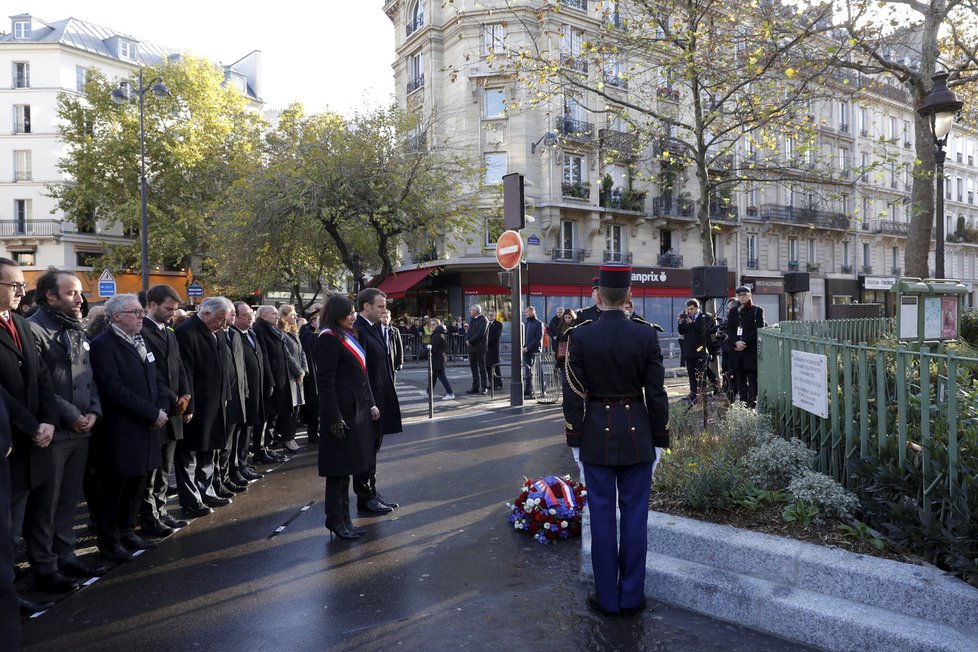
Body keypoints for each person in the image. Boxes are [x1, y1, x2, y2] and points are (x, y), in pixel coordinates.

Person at [562, 264, 669, 618]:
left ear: (597, 296)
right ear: (630, 297)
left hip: (595, 437)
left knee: (603, 519)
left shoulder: (581, 336)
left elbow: (573, 394)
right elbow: (656, 394)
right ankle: (631, 596)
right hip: (638, 435)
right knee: (635, 518)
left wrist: (575, 439)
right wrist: (660, 439)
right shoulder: (646, 335)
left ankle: (607, 599)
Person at [26, 270, 107, 590]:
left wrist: (95, 411)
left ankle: (67, 554)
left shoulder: (77, 329)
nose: (80, 299)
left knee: (69, 499)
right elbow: (41, 384)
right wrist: (72, 414)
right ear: (51, 295)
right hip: (56, 431)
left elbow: (89, 377)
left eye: (80, 293)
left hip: (83, 429)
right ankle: (45, 565)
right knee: (46, 502)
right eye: (72, 293)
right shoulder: (34, 328)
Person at [89, 294, 170, 562]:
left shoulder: (140, 339)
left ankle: (127, 530)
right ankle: (109, 540)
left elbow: (154, 376)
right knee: (115, 489)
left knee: (138, 484)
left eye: (140, 312)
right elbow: (113, 389)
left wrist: (161, 407)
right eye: (135, 312)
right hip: (121, 429)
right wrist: (150, 413)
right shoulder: (103, 345)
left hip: (146, 426)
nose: (140, 316)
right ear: (116, 317)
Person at [0, 258, 60, 612]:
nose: (21, 291)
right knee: (5, 527)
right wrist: (30, 424)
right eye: (13, 285)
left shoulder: (20, 323)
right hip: (10, 439)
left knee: (19, 523)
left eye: (22, 285)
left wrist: (49, 420)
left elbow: (42, 378)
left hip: (34, 439)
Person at [316, 295, 380, 540]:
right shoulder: (328, 339)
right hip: (340, 414)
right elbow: (326, 383)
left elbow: (360, 376)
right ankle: (335, 520)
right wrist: (333, 418)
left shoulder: (348, 336)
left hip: (356, 412)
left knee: (348, 469)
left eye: (354, 312)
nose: (354, 316)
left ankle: (345, 520)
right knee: (337, 472)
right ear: (337, 314)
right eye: (349, 312)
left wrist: (371, 404)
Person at [138, 284, 192, 538]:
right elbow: (153, 375)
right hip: (157, 409)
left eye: (175, 309)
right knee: (151, 470)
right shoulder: (142, 332)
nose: (172, 313)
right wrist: (174, 398)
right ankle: (149, 516)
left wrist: (187, 395)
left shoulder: (170, 332)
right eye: (168, 308)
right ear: (151, 305)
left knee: (165, 468)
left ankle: (161, 510)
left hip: (175, 410)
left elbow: (180, 366)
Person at [174, 297, 234, 517]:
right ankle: (191, 499)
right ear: (206, 313)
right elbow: (185, 371)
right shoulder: (186, 332)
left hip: (215, 401)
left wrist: (226, 394)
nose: (223, 325)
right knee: (188, 454)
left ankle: (206, 490)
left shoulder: (218, 332)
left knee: (209, 449)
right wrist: (188, 405)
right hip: (196, 403)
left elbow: (224, 366)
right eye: (220, 320)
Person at [353, 288, 402, 515]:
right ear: (367, 306)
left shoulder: (372, 327)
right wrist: (370, 402)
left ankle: (372, 491)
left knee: (374, 449)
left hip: (380, 397)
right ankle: (365, 496)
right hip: (369, 401)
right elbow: (360, 371)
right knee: (365, 450)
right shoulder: (358, 329)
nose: (384, 310)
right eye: (380, 306)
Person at [231, 302, 271, 475]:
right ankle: (238, 465)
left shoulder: (251, 333)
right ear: (236, 317)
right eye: (246, 315)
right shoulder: (234, 335)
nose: (250, 317)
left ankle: (243, 463)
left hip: (256, 389)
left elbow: (262, 358)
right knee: (240, 430)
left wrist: (268, 381)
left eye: (251, 314)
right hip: (243, 391)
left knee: (249, 427)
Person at [253, 306, 291, 461]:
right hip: (270, 380)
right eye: (273, 314)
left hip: (279, 379)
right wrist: (270, 381)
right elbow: (265, 357)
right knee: (264, 418)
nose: (277, 316)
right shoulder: (260, 330)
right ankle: (260, 450)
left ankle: (266, 447)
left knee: (272, 417)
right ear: (262, 316)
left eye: (277, 313)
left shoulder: (274, 330)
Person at [725, 286, 765, 409]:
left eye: (744, 294)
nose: (742, 297)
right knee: (740, 380)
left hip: (750, 351)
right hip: (736, 351)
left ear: (749, 295)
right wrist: (736, 342)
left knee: (752, 381)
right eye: (739, 295)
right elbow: (730, 329)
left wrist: (744, 343)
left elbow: (758, 329)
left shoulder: (757, 310)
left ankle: (751, 405)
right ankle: (742, 405)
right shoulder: (733, 311)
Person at [276, 304, 306, 453]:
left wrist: (304, 371)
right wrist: (298, 371)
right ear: (284, 316)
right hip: (290, 377)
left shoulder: (294, 332)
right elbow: (286, 355)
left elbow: (301, 353)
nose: (295, 317)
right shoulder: (281, 333)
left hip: (298, 378)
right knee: (289, 411)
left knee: (297, 410)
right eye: (293, 315)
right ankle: (287, 439)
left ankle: (292, 437)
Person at [677, 298, 718, 402]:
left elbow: (705, 331)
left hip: (701, 348)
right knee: (691, 373)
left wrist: (692, 323)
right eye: (688, 309)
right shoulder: (686, 317)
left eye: (692, 309)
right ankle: (693, 393)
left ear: (697, 308)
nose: (690, 311)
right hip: (688, 349)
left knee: (703, 371)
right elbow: (681, 331)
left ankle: (706, 391)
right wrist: (680, 322)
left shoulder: (705, 317)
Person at [299, 306, 322, 444]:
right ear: (313, 320)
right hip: (312, 376)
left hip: (318, 373)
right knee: (314, 404)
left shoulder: (314, 333)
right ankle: (313, 433)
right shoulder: (308, 334)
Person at [427, 318, 454, 399]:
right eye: (430, 324)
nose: (431, 326)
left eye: (433, 324)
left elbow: (432, 346)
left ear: (438, 325)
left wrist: (423, 353)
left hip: (438, 358)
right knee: (434, 376)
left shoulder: (437, 335)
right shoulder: (439, 333)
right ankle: (428, 391)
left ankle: (450, 393)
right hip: (439, 358)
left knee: (442, 376)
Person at [465, 304, 489, 394]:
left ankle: (484, 387)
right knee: (473, 368)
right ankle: (475, 387)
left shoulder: (483, 320)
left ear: (476, 311)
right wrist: (466, 339)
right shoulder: (472, 320)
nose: (470, 312)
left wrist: (470, 341)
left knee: (482, 367)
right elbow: (469, 331)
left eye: (471, 310)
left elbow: (481, 333)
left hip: (480, 347)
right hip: (471, 347)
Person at [522, 306, 544, 399]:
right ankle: (528, 390)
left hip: (535, 350)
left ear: (532, 312)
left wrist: (528, 347)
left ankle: (543, 390)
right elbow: (522, 337)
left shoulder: (539, 323)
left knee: (538, 371)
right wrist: (523, 347)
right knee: (527, 370)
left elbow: (538, 338)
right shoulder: (525, 324)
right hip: (526, 351)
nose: (525, 313)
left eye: (526, 312)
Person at [555, 308, 577, 385]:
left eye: (569, 317)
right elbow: (557, 340)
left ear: (572, 317)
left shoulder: (576, 326)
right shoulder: (561, 326)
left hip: (573, 354)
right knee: (564, 376)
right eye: (565, 317)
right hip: (563, 355)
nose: (567, 319)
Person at [380, 310, 403, 377]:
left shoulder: (395, 331)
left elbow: (399, 347)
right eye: (383, 317)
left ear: (390, 318)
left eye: (387, 317)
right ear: (380, 318)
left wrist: (400, 362)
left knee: (391, 378)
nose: (385, 319)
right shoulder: (376, 329)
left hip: (391, 357)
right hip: (380, 358)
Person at [487, 311, 503, 390]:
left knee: (495, 366)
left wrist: (486, 342)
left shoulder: (498, 324)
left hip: (493, 349)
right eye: (489, 315)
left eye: (492, 315)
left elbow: (495, 336)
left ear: (495, 316)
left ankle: (498, 383)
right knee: (488, 367)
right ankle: (491, 383)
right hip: (486, 349)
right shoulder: (486, 324)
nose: (490, 316)